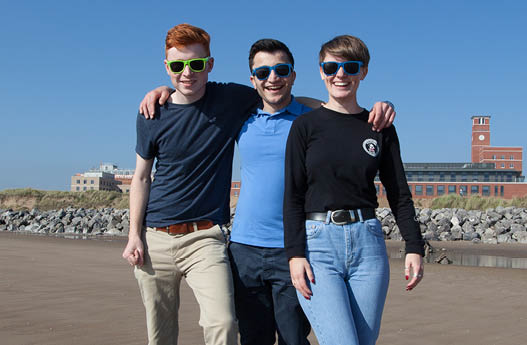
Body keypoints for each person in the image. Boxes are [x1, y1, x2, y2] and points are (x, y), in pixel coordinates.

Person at [138, 37, 396, 345]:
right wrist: (163, 90)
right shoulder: (241, 116)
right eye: (262, 73)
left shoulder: (310, 120)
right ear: (253, 80)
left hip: (294, 251)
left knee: (292, 337)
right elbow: (192, 96)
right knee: (252, 338)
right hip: (243, 251)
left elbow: (336, 107)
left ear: (293, 75)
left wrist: (375, 109)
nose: (272, 79)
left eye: (281, 70)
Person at [122, 23, 260, 345]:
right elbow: (141, 177)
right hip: (155, 239)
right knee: (161, 334)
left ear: (209, 65)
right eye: (178, 65)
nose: (187, 73)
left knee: (223, 323)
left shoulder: (230, 99)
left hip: (206, 239)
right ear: (167, 67)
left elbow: (281, 96)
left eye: (196, 64)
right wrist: (133, 236)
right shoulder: (151, 112)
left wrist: (346, 111)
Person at [283, 35, 425, 345]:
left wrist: (414, 246)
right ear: (321, 71)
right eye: (331, 67)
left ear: (363, 72)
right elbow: (293, 195)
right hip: (318, 247)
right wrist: (294, 255)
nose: (340, 74)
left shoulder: (379, 126)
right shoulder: (305, 127)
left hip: (369, 246)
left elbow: (399, 192)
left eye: (350, 66)